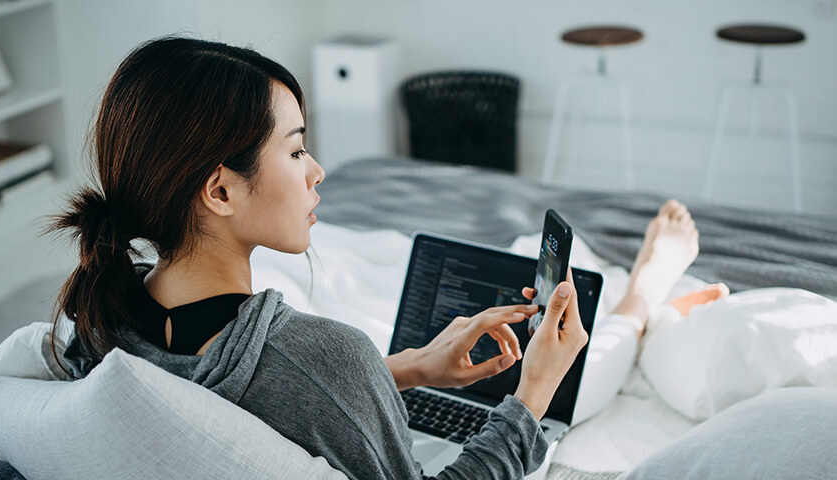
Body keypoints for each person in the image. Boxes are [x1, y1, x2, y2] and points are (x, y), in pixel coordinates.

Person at [45, 36, 714, 479]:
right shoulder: (316, 354)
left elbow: (264, 406)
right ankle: (644, 296)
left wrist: (408, 369)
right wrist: (533, 393)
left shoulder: (98, 318)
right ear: (219, 189)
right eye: (297, 149)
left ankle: (642, 303)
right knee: (580, 366)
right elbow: (299, 386)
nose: (319, 172)